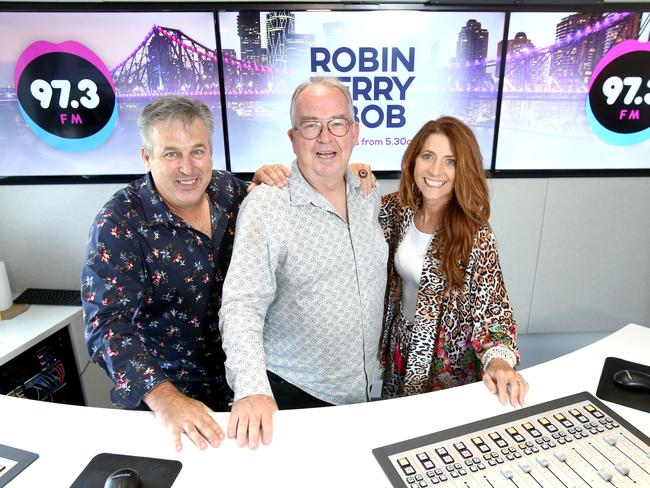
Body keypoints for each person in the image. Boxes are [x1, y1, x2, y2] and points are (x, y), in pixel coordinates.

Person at [81, 96, 289, 452]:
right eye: (171, 154)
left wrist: (348, 174)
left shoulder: (231, 192)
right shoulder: (121, 222)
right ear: (147, 157)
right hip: (170, 400)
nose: (188, 167)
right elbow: (106, 324)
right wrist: (166, 399)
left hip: (248, 383)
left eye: (197, 151)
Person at [218, 78, 388, 450]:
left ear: (354, 132)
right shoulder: (267, 205)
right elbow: (241, 304)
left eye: (338, 124)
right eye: (311, 125)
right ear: (294, 139)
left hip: (364, 391)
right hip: (295, 395)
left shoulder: (366, 194)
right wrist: (250, 389)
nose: (326, 137)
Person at [379, 117, 528, 408]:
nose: (435, 170)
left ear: (464, 170)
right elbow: (348, 211)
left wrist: (499, 362)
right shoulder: (398, 209)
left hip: (447, 366)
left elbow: (494, 309)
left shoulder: (475, 234)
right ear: (413, 160)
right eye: (428, 156)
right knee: (395, 431)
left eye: (450, 161)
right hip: (401, 348)